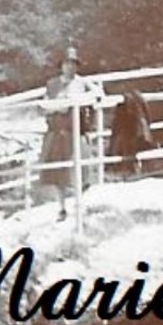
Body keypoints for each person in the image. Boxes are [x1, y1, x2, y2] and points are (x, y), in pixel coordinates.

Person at [37, 46, 102, 221]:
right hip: (58, 132)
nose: (70, 67)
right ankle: (62, 208)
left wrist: (85, 101)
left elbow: (98, 95)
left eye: (73, 64)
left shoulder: (82, 83)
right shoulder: (52, 84)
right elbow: (45, 107)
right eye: (67, 64)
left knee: (82, 170)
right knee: (60, 174)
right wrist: (58, 107)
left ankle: (80, 205)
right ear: (62, 65)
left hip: (76, 131)